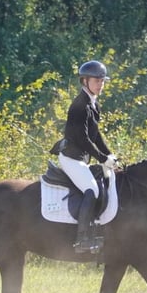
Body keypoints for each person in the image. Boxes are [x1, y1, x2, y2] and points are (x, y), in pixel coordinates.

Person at [51, 60, 118, 252]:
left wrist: (110, 155)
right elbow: (83, 139)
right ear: (85, 81)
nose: (100, 84)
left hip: (81, 157)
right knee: (91, 190)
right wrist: (102, 158)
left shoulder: (93, 104)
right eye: (96, 81)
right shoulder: (80, 105)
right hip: (71, 157)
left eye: (102, 81)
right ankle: (82, 239)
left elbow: (96, 136)